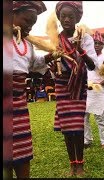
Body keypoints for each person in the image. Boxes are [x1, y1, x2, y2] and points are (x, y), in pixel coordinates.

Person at [10, 1, 55, 178]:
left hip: (19, 105)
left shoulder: (27, 45)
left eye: (32, 23)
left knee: (22, 150)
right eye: (26, 21)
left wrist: (51, 56)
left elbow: (35, 64)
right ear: (11, 15)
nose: (29, 26)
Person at [53, 1, 97, 176]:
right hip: (62, 85)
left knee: (77, 126)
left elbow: (93, 66)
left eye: (71, 16)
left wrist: (81, 51)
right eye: (63, 16)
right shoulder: (56, 38)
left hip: (78, 86)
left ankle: (80, 164)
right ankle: (72, 163)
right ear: (58, 17)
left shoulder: (85, 38)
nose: (66, 19)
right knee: (67, 127)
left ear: (78, 17)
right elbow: (51, 62)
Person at [84, 31, 104, 149]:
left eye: (99, 43)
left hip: (102, 92)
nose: (96, 45)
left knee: (102, 119)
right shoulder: (87, 57)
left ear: (103, 45)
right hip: (87, 92)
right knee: (84, 117)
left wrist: (96, 85)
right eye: (94, 43)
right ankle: (87, 140)